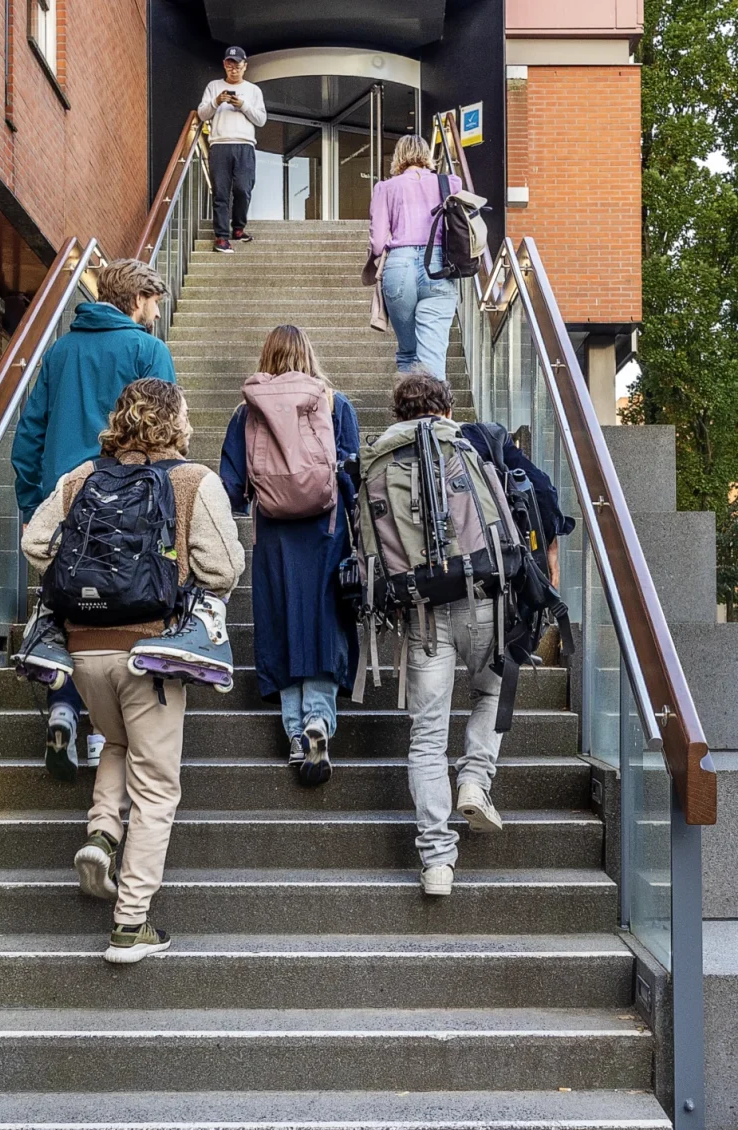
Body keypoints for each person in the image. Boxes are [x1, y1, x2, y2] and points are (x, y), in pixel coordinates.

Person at [22, 379, 245, 963]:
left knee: (115, 743)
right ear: (175, 423)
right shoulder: (193, 481)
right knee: (157, 785)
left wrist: (81, 586)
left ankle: (101, 833)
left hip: (84, 652)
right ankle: (131, 923)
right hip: (152, 653)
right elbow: (223, 567)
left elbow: (35, 542)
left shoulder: (78, 480)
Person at [386, 371, 574, 897]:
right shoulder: (479, 439)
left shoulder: (381, 458)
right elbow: (542, 495)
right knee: (491, 688)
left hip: (420, 610)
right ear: (448, 409)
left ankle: (437, 863)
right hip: (486, 599)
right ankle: (474, 779)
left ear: (400, 415)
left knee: (425, 738)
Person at [11, 259, 176, 782]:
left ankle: (63, 706)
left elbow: (29, 433)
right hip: (128, 502)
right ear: (135, 299)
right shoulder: (147, 350)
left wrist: (36, 500)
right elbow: (166, 433)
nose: (154, 314)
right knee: (119, 603)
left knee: (65, 603)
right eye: (152, 302)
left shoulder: (60, 350)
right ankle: (110, 731)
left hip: (64, 499)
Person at [220, 326, 360, 785]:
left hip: (274, 536)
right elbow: (353, 471)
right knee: (324, 622)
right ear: (309, 356)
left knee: (281, 624)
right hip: (326, 530)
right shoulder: (336, 404)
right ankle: (320, 718)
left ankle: (297, 734)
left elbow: (232, 487)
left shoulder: (246, 413)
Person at [369, 135, 463, 380]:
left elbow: (378, 243)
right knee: (432, 357)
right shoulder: (450, 184)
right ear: (426, 156)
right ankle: (434, 415)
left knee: (408, 353)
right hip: (439, 266)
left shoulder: (386, 188)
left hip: (399, 267)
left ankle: (409, 414)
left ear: (398, 157)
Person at [198, 46, 267, 254]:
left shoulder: (253, 91)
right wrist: (217, 101)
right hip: (219, 144)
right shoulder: (213, 86)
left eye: (237, 64)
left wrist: (242, 105)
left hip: (245, 144)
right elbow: (202, 114)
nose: (233, 68)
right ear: (224, 65)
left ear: (245, 66)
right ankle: (221, 236)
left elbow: (261, 120)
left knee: (243, 189)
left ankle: (238, 227)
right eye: (229, 63)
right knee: (220, 192)